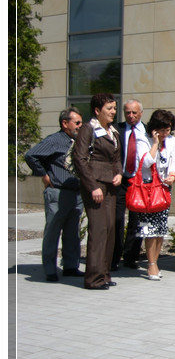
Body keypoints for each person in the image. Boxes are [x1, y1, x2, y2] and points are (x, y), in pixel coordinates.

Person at [24, 107, 85, 282]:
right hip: (58, 192)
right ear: (65, 123)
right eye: (77, 122)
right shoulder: (54, 140)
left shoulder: (79, 141)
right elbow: (31, 155)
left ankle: (71, 266)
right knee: (53, 231)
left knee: (72, 232)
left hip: (76, 193)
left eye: (81, 123)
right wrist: (43, 174)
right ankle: (50, 269)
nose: (80, 126)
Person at [73, 93, 122, 290]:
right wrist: (92, 186)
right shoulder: (88, 129)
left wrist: (118, 173)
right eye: (109, 108)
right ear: (97, 110)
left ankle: (105, 274)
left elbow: (116, 158)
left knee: (110, 229)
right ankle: (93, 278)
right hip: (95, 185)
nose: (113, 112)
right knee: (99, 230)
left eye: (114, 108)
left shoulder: (112, 131)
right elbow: (80, 159)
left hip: (110, 184)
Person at [134, 110, 175, 281]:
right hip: (147, 189)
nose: (165, 134)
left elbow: (173, 162)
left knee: (160, 228)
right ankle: (151, 263)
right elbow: (146, 162)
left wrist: (172, 175)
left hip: (163, 189)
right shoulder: (143, 140)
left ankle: (156, 261)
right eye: (162, 130)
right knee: (149, 229)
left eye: (168, 130)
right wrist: (154, 143)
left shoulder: (171, 141)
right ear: (154, 129)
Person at [112, 99, 148, 271]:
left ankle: (131, 256)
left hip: (139, 181)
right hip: (120, 180)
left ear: (141, 113)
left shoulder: (148, 131)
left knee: (137, 221)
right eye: (127, 112)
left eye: (134, 112)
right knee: (117, 219)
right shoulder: (116, 129)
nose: (131, 116)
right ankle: (113, 257)